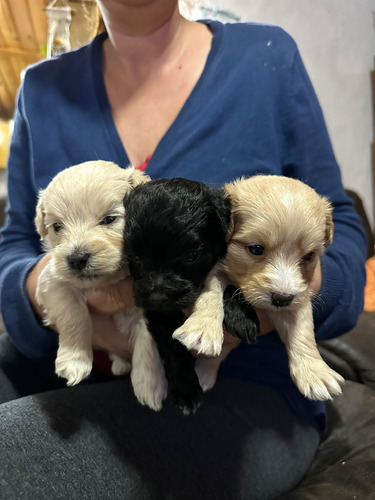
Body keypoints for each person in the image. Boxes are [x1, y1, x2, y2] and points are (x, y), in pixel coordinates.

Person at [0, 1, 367, 498]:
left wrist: (270, 301)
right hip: (64, 359)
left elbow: (339, 226)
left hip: (244, 383)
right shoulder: (38, 89)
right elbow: (16, 244)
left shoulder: (267, 57)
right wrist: (58, 300)